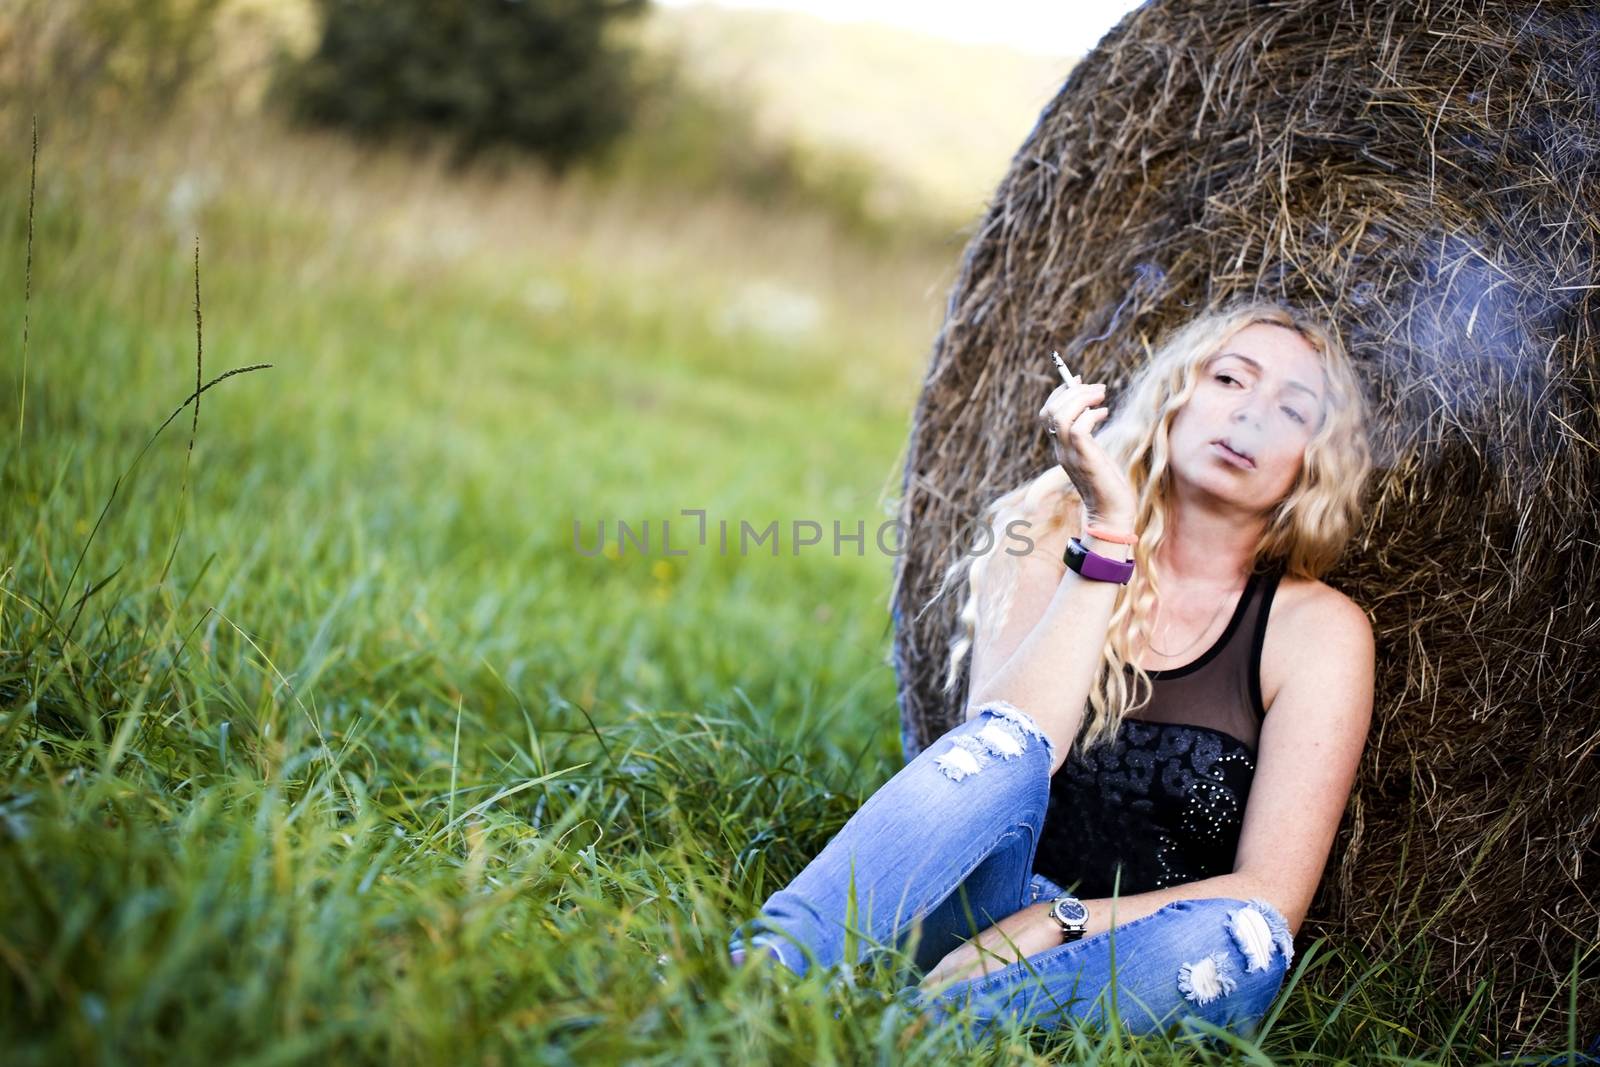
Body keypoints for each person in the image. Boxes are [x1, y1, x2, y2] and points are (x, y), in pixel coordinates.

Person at [726, 299, 1377, 1044]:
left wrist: (1056, 921)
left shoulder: (1317, 632)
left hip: (1124, 953)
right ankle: (770, 966)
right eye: (1230, 378)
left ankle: (925, 1027)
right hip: (969, 899)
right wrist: (1107, 535)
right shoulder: (1049, 522)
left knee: (1248, 938)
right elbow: (1011, 745)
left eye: (1293, 410)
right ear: (1175, 392)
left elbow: (1272, 894)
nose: (1252, 416)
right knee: (1002, 745)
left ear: (1314, 463)